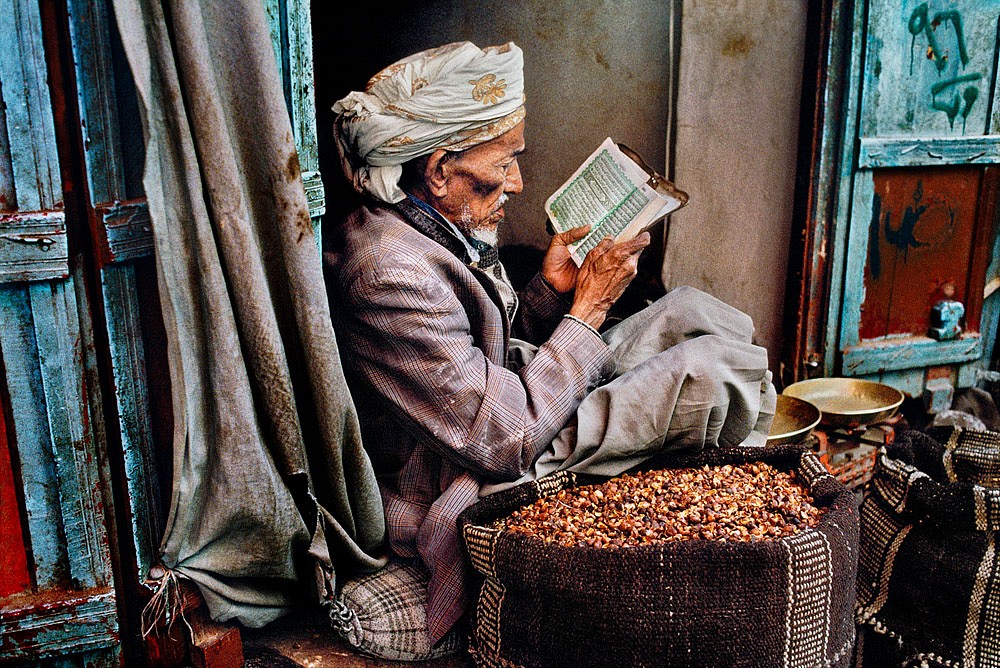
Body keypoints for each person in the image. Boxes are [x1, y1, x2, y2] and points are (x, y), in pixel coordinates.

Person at [325, 41, 775, 649]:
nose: (516, 181)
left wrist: (549, 290)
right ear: (436, 170)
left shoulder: (420, 222)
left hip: (500, 414)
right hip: (464, 476)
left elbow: (478, 358)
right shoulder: (386, 271)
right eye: (505, 161)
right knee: (705, 371)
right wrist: (587, 311)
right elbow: (502, 437)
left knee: (692, 311)